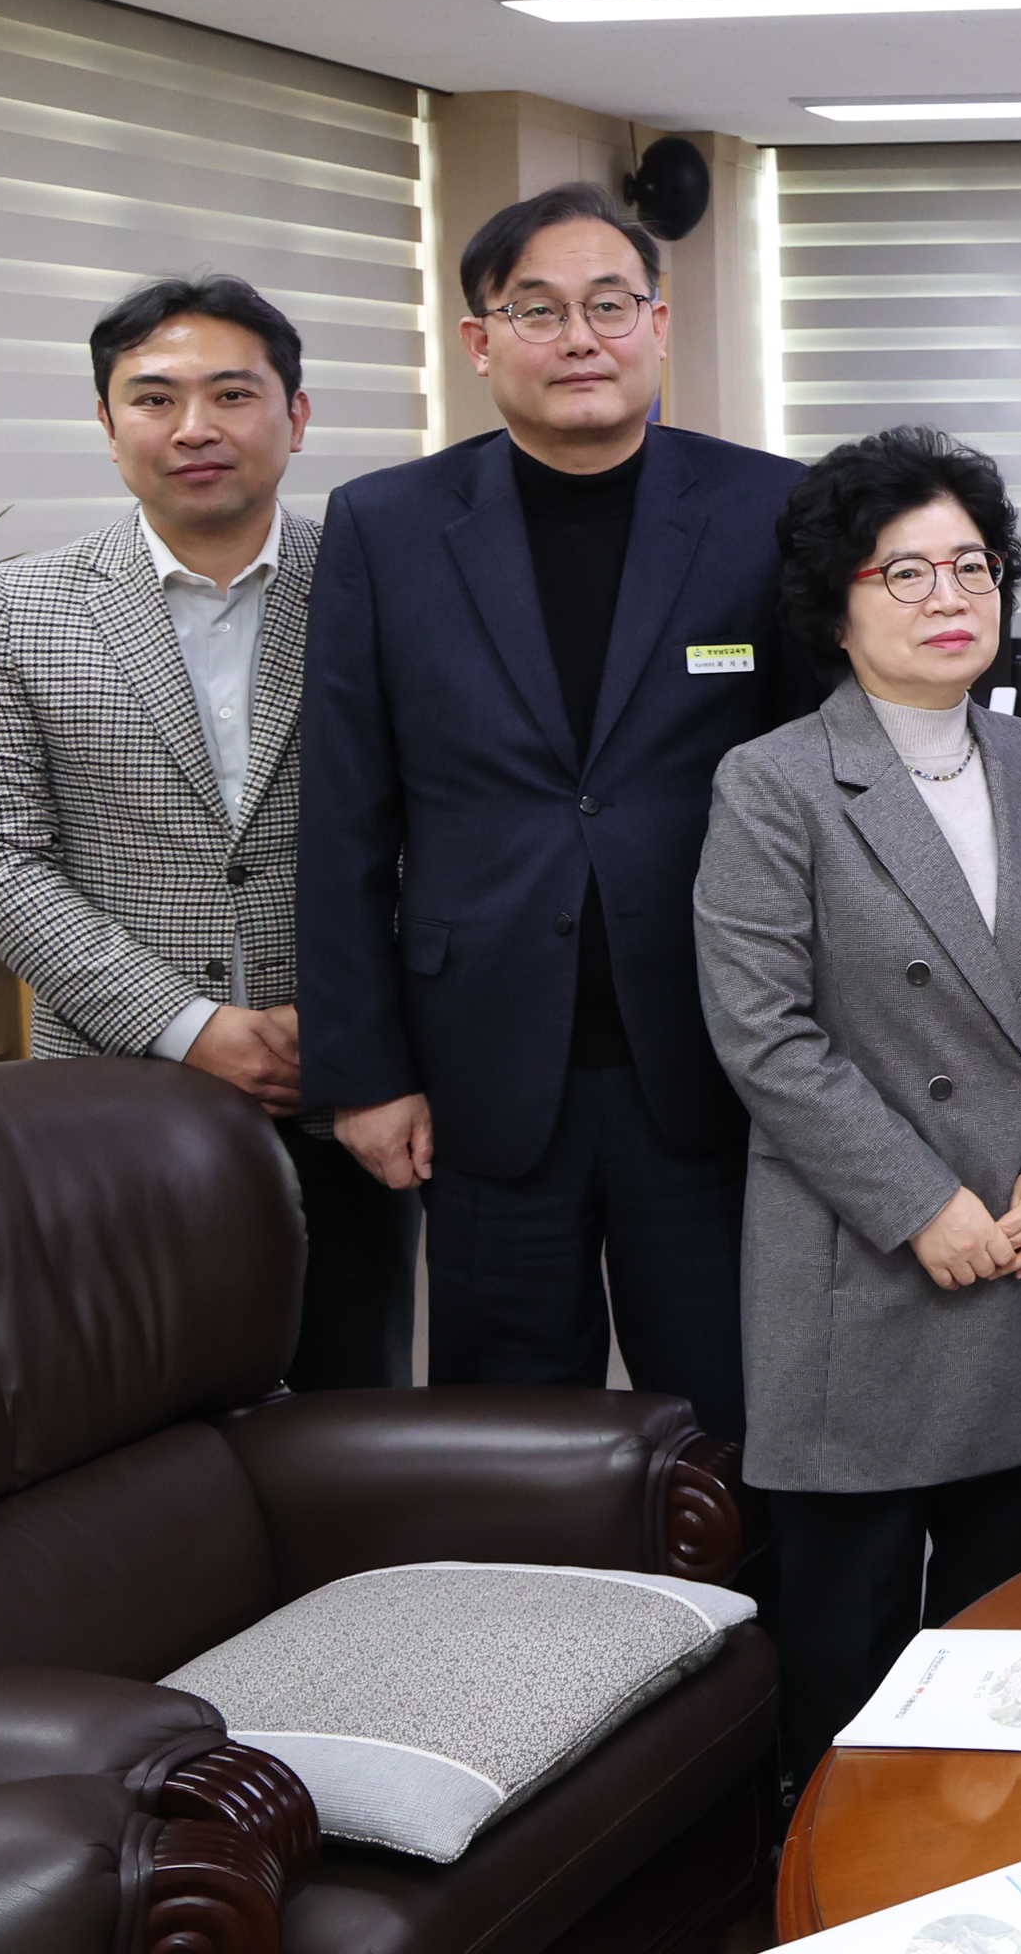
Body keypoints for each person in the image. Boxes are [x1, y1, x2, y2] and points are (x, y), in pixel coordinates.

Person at [300, 182, 804, 1442]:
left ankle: (750, 1639)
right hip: (479, 1068)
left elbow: (823, 787)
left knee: (739, 1409)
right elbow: (347, 815)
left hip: (712, 1054)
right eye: (537, 310)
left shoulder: (769, 509)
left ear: (658, 323)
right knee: (512, 1429)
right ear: (481, 341)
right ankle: (537, 1649)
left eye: (608, 305)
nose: (579, 337)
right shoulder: (389, 523)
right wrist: (363, 1075)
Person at [696, 430, 1021, 1783]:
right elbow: (763, 1037)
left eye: (972, 566)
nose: (950, 597)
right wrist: (920, 1206)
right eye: (906, 573)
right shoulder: (774, 782)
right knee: (851, 1653)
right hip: (866, 1268)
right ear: (838, 599)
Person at [0, 276, 414, 1390]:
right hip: (114, 1086)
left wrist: (349, 1016)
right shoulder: (13, 611)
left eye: (232, 393)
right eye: (153, 398)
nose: (194, 428)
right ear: (107, 427)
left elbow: (450, 824)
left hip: (351, 1080)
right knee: (128, 1414)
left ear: (295, 417)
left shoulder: (384, 587)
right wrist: (190, 1024)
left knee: (356, 1401)